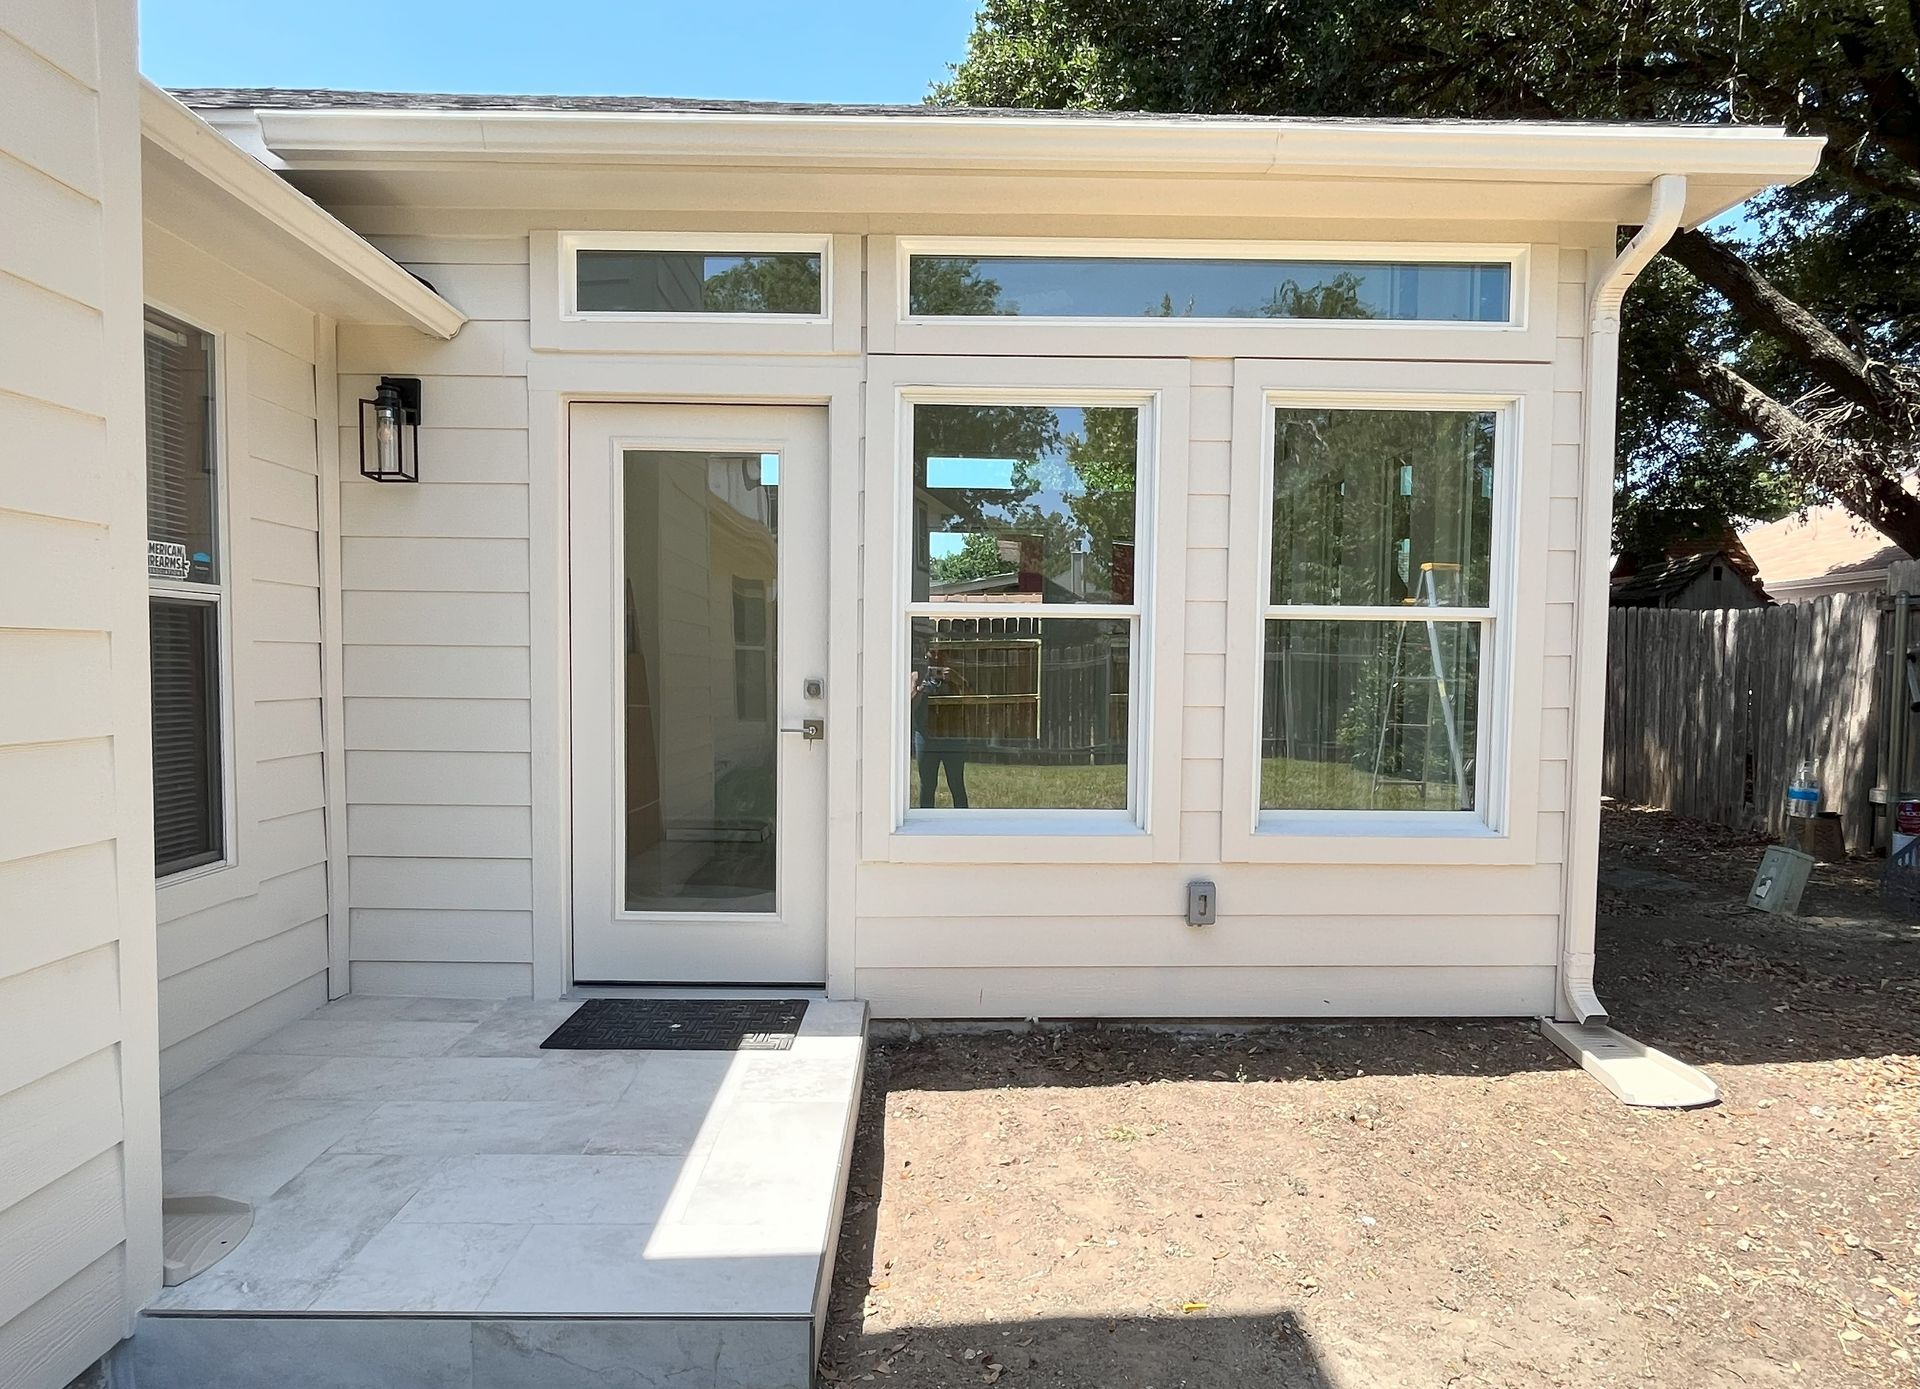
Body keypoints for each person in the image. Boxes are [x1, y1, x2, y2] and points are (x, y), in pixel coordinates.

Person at [909, 646, 970, 808]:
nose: (936, 657)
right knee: (927, 785)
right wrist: (920, 689)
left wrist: (957, 680)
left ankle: (963, 824)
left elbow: (972, 700)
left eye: (941, 653)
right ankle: (925, 822)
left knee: (957, 783)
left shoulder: (956, 674)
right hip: (926, 736)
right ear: (926, 654)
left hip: (953, 735)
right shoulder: (917, 675)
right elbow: (910, 707)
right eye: (932, 652)